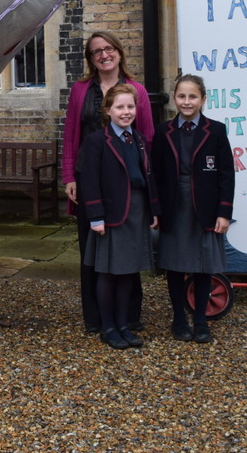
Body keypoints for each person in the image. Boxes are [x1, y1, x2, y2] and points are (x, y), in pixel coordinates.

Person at [61, 32, 154, 332]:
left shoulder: (136, 90)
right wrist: (68, 177)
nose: (103, 55)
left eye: (108, 48)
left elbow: (148, 139)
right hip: (89, 182)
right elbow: (71, 134)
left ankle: (128, 317)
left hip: (127, 184)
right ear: (91, 59)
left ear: (119, 52)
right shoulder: (79, 90)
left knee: (128, 249)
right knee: (92, 250)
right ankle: (96, 319)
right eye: (96, 51)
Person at [151, 74, 234, 344]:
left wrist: (224, 212)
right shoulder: (163, 132)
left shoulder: (217, 130)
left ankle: (200, 320)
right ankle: (178, 319)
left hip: (205, 208)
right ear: (175, 98)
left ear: (203, 99)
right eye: (182, 96)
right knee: (175, 265)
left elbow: (226, 174)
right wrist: (155, 209)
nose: (187, 102)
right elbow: (156, 175)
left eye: (193, 96)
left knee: (202, 265)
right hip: (174, 207)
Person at [76, 84, 160, 349]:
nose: (126, 112)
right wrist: (96, 216)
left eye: (130, 107)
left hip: (136, 211)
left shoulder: (140, 141)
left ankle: (124, 324)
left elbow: (149, 178)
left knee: (128, 272)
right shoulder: (96, 141)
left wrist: (154, 210)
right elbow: (89, 181)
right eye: (120, 107)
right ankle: (108, 327)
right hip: (110, 214)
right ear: (108, 110)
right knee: (108, 273)